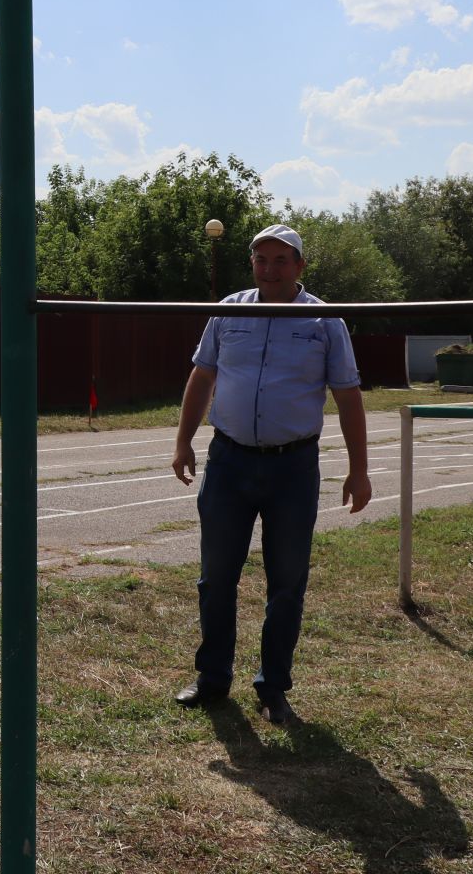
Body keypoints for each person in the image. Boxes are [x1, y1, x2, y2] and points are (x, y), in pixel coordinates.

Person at [170, 223, 372, 726]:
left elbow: (348, 396)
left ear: (300, 266)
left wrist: (359, 469)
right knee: (216, 577)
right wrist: (182, 440)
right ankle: (213, 679)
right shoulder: (230, 310)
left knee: (287, 582)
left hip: (293, 468)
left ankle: (273, 686)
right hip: (229, 461)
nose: (270, 268)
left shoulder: (324, 321)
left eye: (281, 260)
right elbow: (202, 375)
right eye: (262, 259)